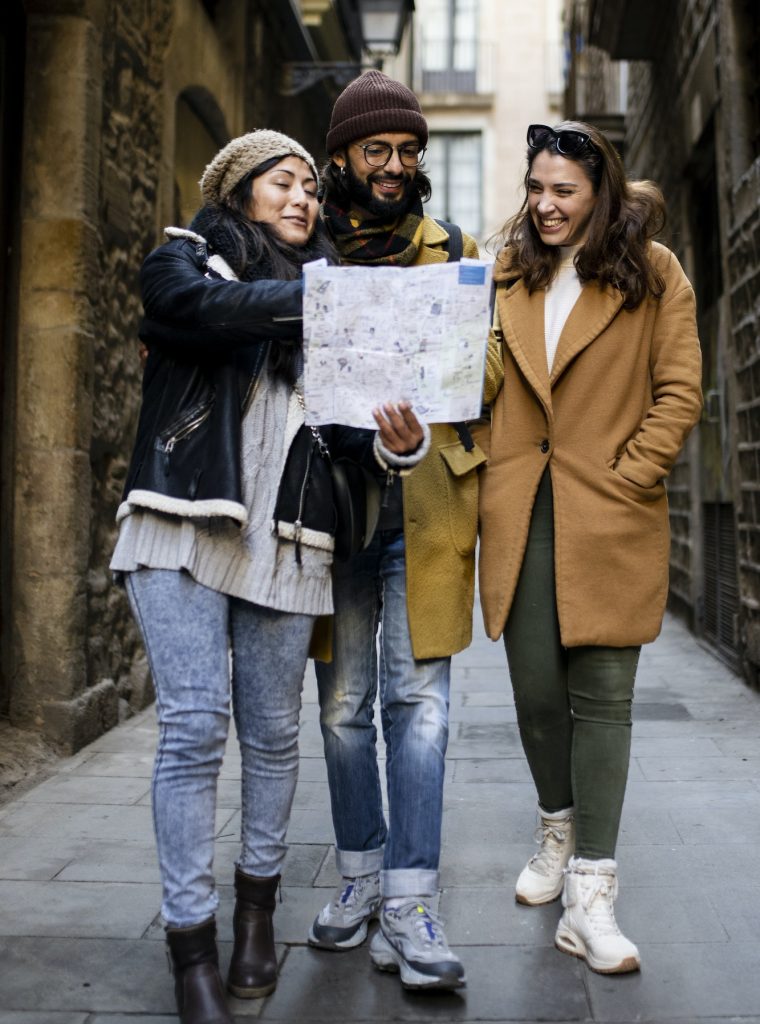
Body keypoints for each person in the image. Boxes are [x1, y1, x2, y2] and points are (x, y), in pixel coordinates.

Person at [110, 129, 426, 1024]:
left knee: (275, 736)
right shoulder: (187, 259)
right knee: (193, 728)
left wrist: (399, 446)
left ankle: (256, 913)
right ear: (241, 190)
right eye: (282, 184)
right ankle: (191, 947)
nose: (302, 200)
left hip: (291, 539)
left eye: (309, 190)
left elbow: (362, 440)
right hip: (181, 519)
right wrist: (318, 304)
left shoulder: (331, 304)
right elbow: (192, 312)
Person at [478, 121, 702, 974]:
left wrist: (629, 475)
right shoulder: (504, 273)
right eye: (536, 188)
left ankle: (593, 895)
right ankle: (555, 834)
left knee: (604, 697)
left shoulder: (654, 273)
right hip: (521, 510)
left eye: (563, 191)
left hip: (609, 512)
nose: (543, 205)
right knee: (537, 696)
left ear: (600, 193)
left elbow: (681, 389)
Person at [307, 71, 503, 992]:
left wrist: (439, 396)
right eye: (378, 151)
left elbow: (492, 370)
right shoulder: (305, 251)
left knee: (418, 709)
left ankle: (413, 901)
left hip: (426, 508)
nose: (396, 167)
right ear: (343, 156)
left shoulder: (454, 249)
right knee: (344, 711)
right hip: (333, 512)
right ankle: (358, 876)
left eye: (409, 151)